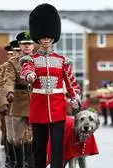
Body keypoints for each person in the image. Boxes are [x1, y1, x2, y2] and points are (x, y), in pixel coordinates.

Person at [20, 3, 81, 168]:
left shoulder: (62, 60)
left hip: (57, 107)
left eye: (48, 37)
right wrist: (29, 75)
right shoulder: (30, 59)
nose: (45, 40)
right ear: (38, 39)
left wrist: (75, 97)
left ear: (53, 38)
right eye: (42, 38)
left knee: (57, 146)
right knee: (39, 146)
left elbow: (71, 82)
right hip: (39, 107)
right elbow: (26, 70)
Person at [3, 31, 35, 168]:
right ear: (20, 46)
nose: (27, 46)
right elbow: (8, 79)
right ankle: (19, 163)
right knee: (17, 138)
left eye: (29, 44)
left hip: (36, 101)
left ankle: (31, 163)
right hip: (18, 100)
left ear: (33, 46)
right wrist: (9, 92)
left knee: (33, 137)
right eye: (24, 44)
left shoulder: (39, 60)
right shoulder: (12, 63)